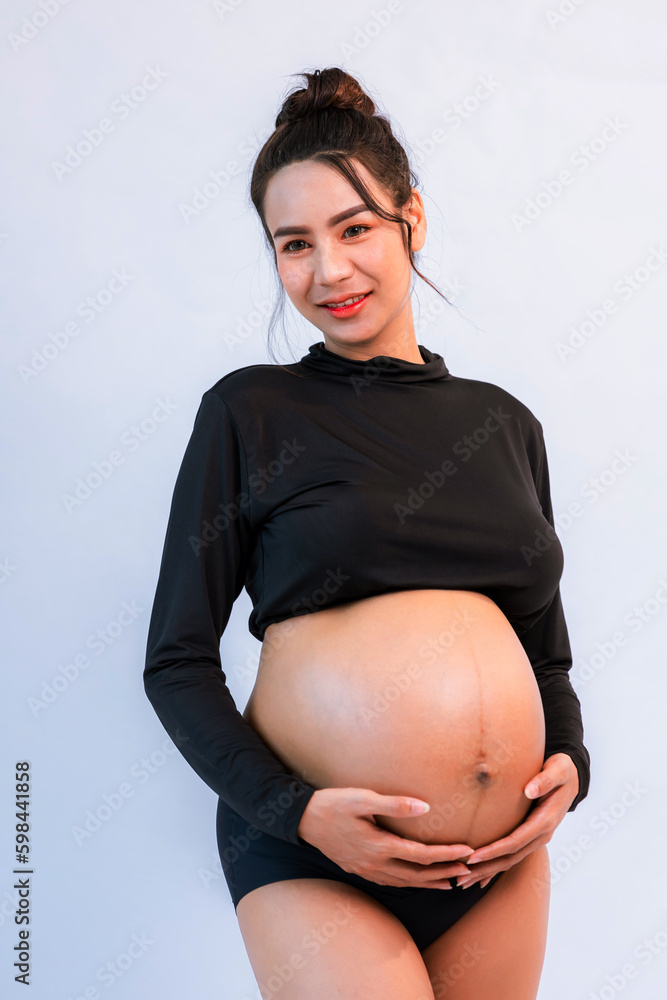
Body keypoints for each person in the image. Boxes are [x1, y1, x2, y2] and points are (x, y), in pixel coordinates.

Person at [143, 66, 590, 999]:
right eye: (293, 244)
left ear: (411, 221)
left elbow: (547, 659)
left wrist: (568, 770)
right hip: (313, 850)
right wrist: (294, 813)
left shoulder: (503, 424)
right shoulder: (250, 411)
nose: (328, 270)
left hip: (497, 859)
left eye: (354, 230)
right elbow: (176, 661)